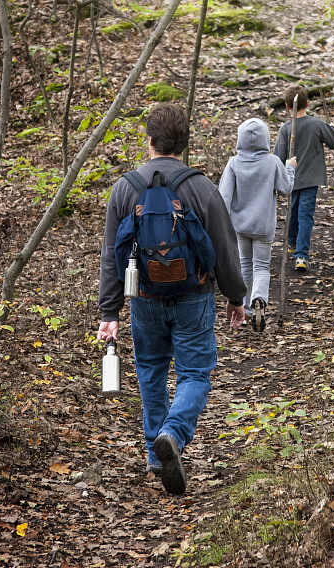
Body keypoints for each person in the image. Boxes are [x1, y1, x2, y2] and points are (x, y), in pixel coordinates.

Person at [97, 103, 246, 495]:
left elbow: (111, 255)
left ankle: (153, 453)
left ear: (148, 141)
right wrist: (236, 296)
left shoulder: (125, 188)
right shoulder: (201, 187)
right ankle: (174, 436)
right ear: (184, 144)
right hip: (194, 296)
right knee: (195, 373)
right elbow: (224, 248)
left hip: (143, 296)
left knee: (150, 370)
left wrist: (109, 312)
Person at [219, 118, 296, 332]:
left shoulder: (234, 163)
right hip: (264, 226)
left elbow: (223, 196)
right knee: (261, 266)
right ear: (266, 139)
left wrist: (222, 224)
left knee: (245, 263)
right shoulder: (272, 162)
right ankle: (259, 298)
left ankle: (245, 307)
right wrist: (290, 167)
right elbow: (286, 188)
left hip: (240, 226)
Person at [274, 84, 334, 271]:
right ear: (308, 103)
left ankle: (297, 249)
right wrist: (332, 129)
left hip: (294, 178)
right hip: (307, 179)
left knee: (296, 212)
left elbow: (277, 156)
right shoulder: (316, 123)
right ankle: (299, 251)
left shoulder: (286, 129)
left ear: (287, 106)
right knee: (303, 214)